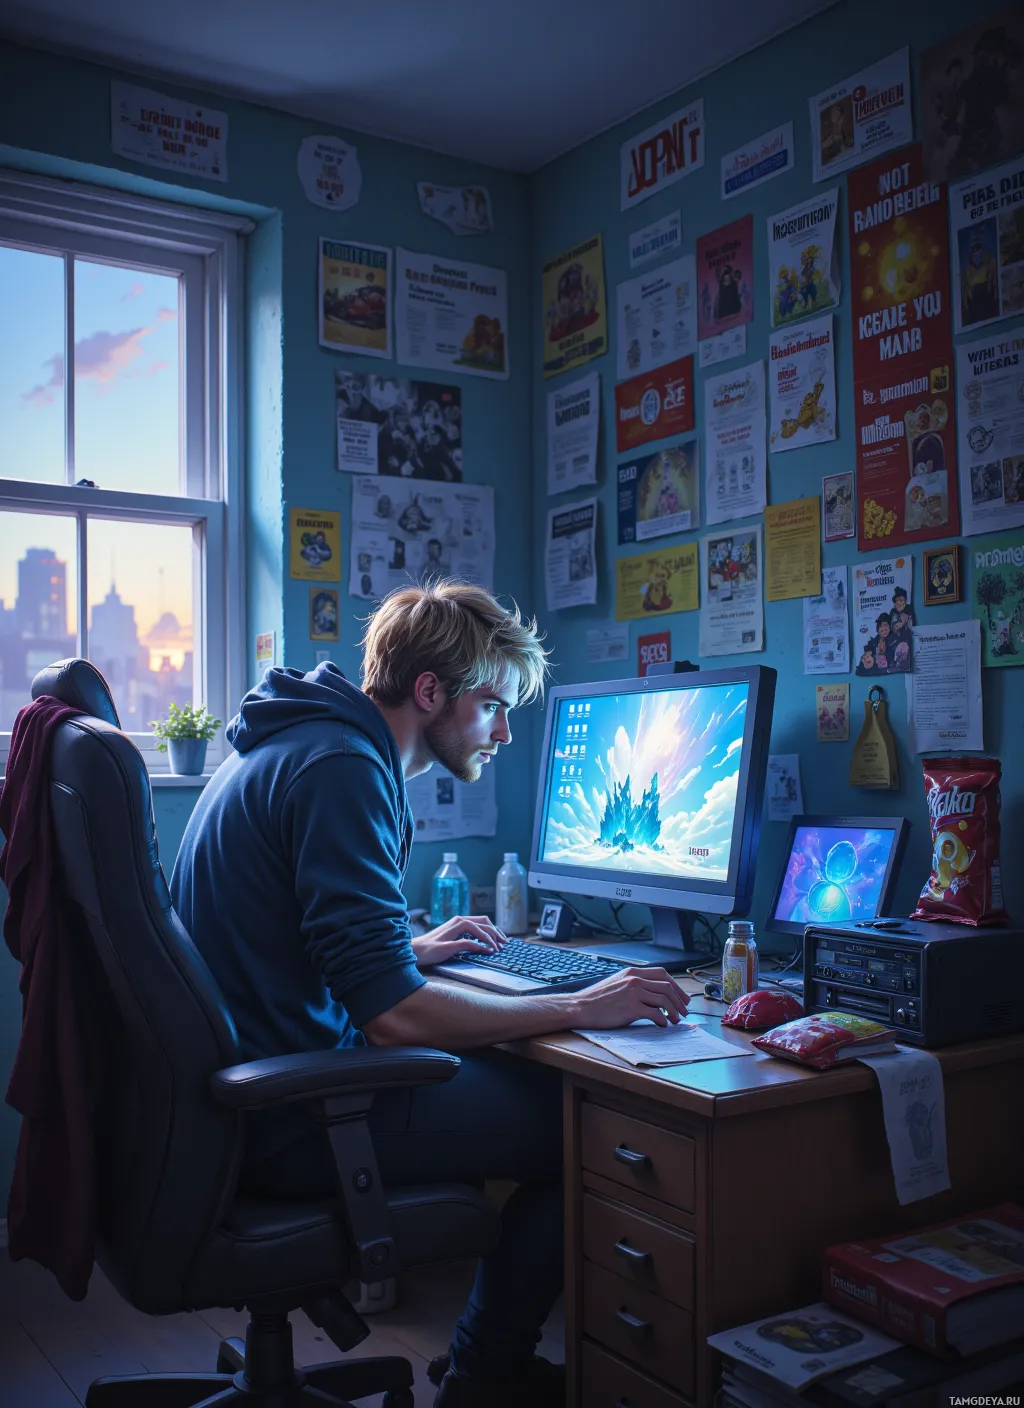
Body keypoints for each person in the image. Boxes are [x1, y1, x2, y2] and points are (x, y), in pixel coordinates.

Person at [171, 581, 689, 1408]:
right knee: (579, 1124)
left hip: (243, 1090)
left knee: (543, 1092)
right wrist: (577, 1005)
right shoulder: (342, 770)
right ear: (430, 692)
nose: (506, 733)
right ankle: (486, 1376)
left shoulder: (289, 742)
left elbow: (278, 936)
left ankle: (484, 1362)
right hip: (291, 1115)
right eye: (492, 707)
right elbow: (393, 1019)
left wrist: (402, 949)